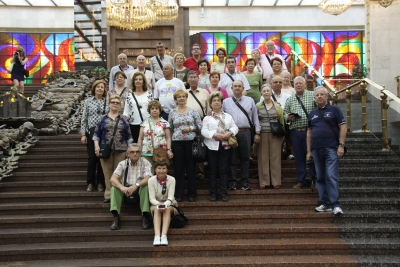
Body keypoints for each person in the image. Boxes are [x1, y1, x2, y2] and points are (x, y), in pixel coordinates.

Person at [307, 86, 346, 215]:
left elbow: (343, 127)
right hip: (316, 148)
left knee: (331, 175)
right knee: (320, 177)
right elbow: (309, 133)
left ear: (327, 96)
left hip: (331, 148)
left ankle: (335, 204)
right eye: (317, 95)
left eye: (322, 94)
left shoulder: (335, 110)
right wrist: (308, 151)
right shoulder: (312, 113)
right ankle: (325, 203)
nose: (319, 97)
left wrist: (341, 145)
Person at [93, 95, 133, 203]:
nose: (115, 104)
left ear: (120, 105)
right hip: (105, 149)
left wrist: (129, 149)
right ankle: (108, 194)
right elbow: (96, 134)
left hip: (121, 149)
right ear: (109, 104)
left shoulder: (124, 119)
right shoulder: (102, 118)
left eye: (117, 102)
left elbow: (129, 136)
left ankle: (118, 195)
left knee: (119, 173)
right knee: (107, 172)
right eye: (113, 102)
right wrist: (96, 146)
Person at [222, 80, 260, 191]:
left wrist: (257, 132)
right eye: (235, 86)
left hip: (245, 132)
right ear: (232, 88)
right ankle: (233, 181)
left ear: (243, 88)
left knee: (245, 158)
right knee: (232, 158)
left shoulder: (250, 100)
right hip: (231, 134)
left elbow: (255, 118)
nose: (237, 88)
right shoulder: (226, 102)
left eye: (239, 86)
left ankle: (245, 181)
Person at [201, 91, 238, 202]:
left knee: (223, 170)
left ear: (222, 102)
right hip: (211, 146)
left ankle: (223, 193)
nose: (216, 102)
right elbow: (203, 131)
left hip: (225, 146)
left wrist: (230, 133)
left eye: (218, 100)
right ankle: (213, 194)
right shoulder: (207, 118)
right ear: (210, 103)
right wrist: (213, 135)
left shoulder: (227, 116)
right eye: (214, 101)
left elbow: (235, 127)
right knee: (212, 170)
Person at [109, 143, 153, 230]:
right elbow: (113, 179)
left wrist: (136, 185)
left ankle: (145, 216)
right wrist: (122, 187)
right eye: (132, 152)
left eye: (137, 152)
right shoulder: (122, 163)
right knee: (114, 188)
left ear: (140, 153)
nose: (135, 154)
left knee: (146, 186)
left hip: (139, 188)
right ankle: (116, 217)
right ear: (128, 154)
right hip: (125, 190)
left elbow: (148, 178)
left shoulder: (145, 162)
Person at [168, 89, 202, 202]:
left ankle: (192, 194)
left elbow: (200, 126)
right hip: (177, 143)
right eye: (179, 97)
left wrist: (190, 128)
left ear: (186, 98)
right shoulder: (172, 112)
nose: (181, 98)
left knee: (191, 168)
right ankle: (179, 194)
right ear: (175, 99)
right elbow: (170, 129)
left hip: (190, 142)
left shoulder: (193, 111)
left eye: (183, 96)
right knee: (179, 169)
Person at [283, 76, 317, 189]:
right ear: (293, 85)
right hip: (296, 132)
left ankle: (315, 179)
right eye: (296, 83)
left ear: (305, 84)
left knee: (312, 155)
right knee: (298, 157)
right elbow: (284, 114)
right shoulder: (290, 99)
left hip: (310, 131)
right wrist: (288, 117)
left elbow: (318, 111)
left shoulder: (312, 95)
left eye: (300, 83)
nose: (298, 85)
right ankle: (301, 180)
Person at [80, 80, 108, 193]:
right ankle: (90, 182)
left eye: (102, 87)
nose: (100, 89)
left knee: (101, 157)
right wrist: (83, 134)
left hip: (104, 132)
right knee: (92, 157)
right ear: (94, 88)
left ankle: (101, 183)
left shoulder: (107, 101)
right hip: (91, 131)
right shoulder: (88, 102)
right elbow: (84, 118)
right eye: (98, 87)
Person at [256, 84, 285, 189]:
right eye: (264, 91)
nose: (266, 93)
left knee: (275, 157)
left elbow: (281, 121)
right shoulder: (258, 106)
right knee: (263, 157)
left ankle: (276, 181)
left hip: (275, 134)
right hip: (263, 133)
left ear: (271, 92)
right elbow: (256, 120)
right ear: (262, 93)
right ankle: (264, 181)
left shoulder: (277, 106)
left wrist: (282, 136)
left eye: (268, 91)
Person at [137, 100, 173, 173]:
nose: (154, 110)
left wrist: (169, 149)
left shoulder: (165, 123)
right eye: (152, 108)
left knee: (160, 172)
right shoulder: (144, 123)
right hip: (146, 151)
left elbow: (168, 138)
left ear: (160, 110)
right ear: (149, 110)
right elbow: (140, 138)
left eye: (156, 108)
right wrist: (138, 150)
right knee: (148, 172)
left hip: (161, 151)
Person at [148, 158, 177, 246]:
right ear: (155, 169)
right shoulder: (151, 180)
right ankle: (157, 236)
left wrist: (165, 204)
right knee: (157, 210)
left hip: (170, 203)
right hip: (155, 203)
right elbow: (152, 198)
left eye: (164, 168)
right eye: (159, 168)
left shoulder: (172, 179)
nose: (161, 171)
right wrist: (159, 204)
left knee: (167, 209)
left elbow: (171, 197)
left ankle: (164, 236)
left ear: (167, 169)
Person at [186, 70, 209, 180]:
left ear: (198, 79)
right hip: (187, 124)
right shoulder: (184, 93)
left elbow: (209, 110)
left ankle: (200, 172)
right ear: (187, 80)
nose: (193, 79)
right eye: (191, 77)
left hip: (201, 122)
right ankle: (189, 171)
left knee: (200, 146)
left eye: (195, 77)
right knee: (189, 148)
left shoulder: (205, 92)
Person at [123, 72, 153, 142]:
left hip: (147, 123)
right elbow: (126, 111)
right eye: (136, 79)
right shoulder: (129, 96)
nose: (138, 81)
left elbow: (152, 108)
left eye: (140, 79)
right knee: (136, 146)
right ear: (133, 82)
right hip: (133, 124)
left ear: (143, 82)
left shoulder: (149, 94)